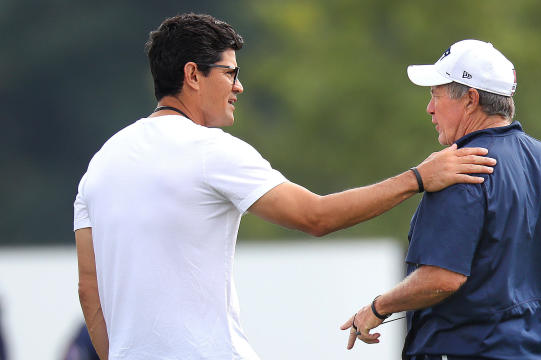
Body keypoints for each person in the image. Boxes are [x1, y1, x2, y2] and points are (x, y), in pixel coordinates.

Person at [73, 15, 496, 360]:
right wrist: (419, 178)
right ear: (192, 75)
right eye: (230, 72)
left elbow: (89, 288)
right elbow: (315, 216)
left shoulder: (100, 164)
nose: (239, 85)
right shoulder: (211, 150)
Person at [341, 39, 541, 360]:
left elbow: (442, 278)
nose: (430, 108)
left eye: (435, 94)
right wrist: (517, 310)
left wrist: (377, 308)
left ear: (470, 99)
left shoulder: (458, 168)